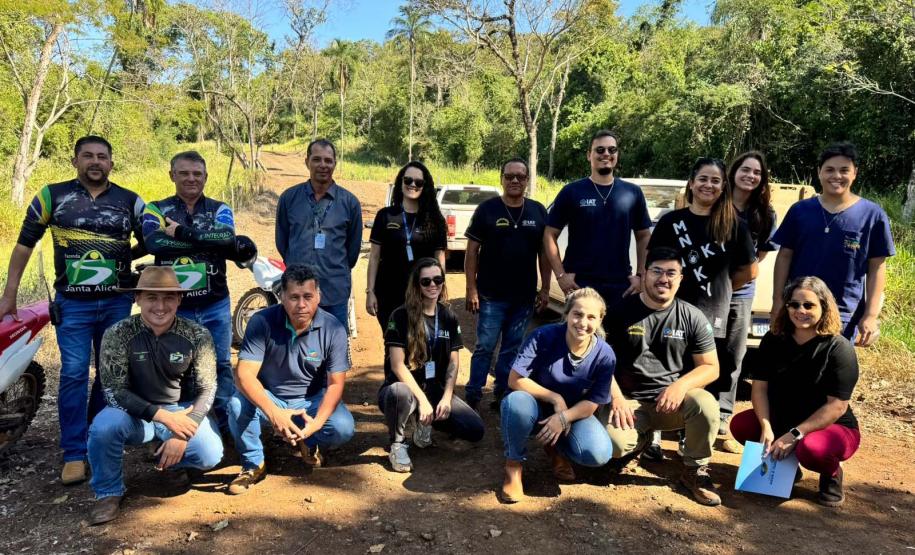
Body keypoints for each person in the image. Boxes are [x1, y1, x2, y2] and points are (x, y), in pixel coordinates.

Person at [0, 136, 145, 485]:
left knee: (109, 373)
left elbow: (155, 236)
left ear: (112, 162)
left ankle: (97, 435)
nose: (95, 162)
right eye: (88, 156)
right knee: (75, 374)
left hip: (116, 301)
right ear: (75, 160)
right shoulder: (52, 196)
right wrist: (10, 294)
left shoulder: (131, 201)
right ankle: (74, 453)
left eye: (102, 157)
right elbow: (24, 244)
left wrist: (126, 259)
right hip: (72, 304)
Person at [87, 266, 223, 525]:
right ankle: (108, 492)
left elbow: (208, 388)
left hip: (180, 410)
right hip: (132, 413)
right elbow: (114, 390)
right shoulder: (117, 334)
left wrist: (186, 428)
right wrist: (164, 419)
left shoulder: (197, 335)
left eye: (168, 297)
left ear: (179, 299)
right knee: (103, 428)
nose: (160, 306)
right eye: (151, 297)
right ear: (137, 298)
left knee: (210, 453)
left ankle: (172, 463)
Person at [647, 157, 756, 457]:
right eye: (703, 179)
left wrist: (720, 291)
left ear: (723, 188)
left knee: (701, 375)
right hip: (671, 309)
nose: (709, 185)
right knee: (664, 368)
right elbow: (652, 264)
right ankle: (655, 432)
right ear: (692, 182)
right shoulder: (671, 222)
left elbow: (750, 270)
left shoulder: (734, 224)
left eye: (716, 181)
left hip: (711, 313)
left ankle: (688, 434)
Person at [601, 247, 723, 506]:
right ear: (643, 274)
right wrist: (617, 398)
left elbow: (711, 367)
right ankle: (640, 442)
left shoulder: (692, 316)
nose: (663, 279)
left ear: (681, 278)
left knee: (706, 404)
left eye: (671, 273)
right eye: (656, 271)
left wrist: (681, 386)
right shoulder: (620, 312)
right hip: (630, 403)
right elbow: (600, 363)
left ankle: (694, 471)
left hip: (671, 404)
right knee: (611, 446)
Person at [731, 276, 860, 507]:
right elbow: (760, 388)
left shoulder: (839, 348)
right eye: (794, 304)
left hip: (831, 426)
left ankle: (831, 473)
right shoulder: (773, 339)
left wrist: (795, 434)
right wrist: (767, 427)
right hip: (784, 418)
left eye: (809, 305)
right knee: (742, 425)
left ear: (824, 306)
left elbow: (837, 406)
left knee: (813, 449)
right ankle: (788, 468)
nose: (800, 310)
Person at [227, 264, 355, 494]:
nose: (301, 305)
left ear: (319, 296)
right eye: (294, 297)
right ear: (281, 296)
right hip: (271, 397)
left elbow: (336, 384)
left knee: (343, 427)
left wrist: (315, 424)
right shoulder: (261, 322)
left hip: (311, 399)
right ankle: (253, 463)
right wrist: (274, 413)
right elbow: (244, 375)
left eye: (308, 296)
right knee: (236, 405)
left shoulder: (333, 328)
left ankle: (310, 441)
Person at [142, 150, 237, 433]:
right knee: (176, 368)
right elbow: (154, 244)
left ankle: (228, 424)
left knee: (220, 365)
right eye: (184, 173)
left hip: (214, 303)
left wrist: (183, 234)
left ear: (206, 177)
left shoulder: (220, 209)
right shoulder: (156, 209)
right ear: (172, 175)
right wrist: (207, 242)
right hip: (173, 307)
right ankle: (186, 428)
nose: (191, 179)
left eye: (197, 173)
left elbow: (228, 240)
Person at [499, 288, 615, 503]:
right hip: (534, 403)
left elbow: (593, 403)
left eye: (591, 317)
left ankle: (557, 449)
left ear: (600, 319)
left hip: (572, 414)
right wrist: (555, 398)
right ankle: (513, 466)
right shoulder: (543, 336)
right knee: (516, 403)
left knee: (598, 453)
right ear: (567, 314)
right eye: (577, 314)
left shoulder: (605, 354)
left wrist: (563, 418)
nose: (583, 323)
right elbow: (515, 380)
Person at [772, 142, 895, 345]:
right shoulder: (800, 211)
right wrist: (778, 301)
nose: (836, 176)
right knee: (792, 367)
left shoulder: (872, 215)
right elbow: (784, 256)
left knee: (834, 370)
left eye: (844, 170)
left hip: (844, 312)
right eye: (829, 170)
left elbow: (877, 268)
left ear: (855, 173)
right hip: (798, 308)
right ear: (819, 172)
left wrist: (871, 315)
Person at [379, 258, 484, 472]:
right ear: (416, 284)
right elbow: (398, 366)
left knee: (475, 430)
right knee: (400, 392)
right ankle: (397, 443)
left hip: (433, 388)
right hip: (403, 389)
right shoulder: (400, 316)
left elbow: (454, 361)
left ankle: (423, 423)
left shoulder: (448, 316)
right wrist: (422, 400)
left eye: (438, 279)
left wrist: (446, 398)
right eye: (425, 281)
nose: (432, 285)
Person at [464, 158, 550, 410]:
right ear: (501, 178)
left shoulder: (538, 211)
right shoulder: (487, 210)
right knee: (485, 347)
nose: (515, 180)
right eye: (510, 176)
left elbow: (544, 254)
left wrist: (545, 288)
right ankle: (473, 394)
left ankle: (502, 392)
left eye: (520, 177)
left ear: (527, 180)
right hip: (490, 295)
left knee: (512, 348)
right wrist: (471, 288)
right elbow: (472, 252)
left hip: (523, 298)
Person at [543, 130, 652, 313]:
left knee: (616, 340)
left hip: (620, 284)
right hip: (579, 283)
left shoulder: (632, 193)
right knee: (579, 339)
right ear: (589, 155)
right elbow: (549, 234)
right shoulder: (572, 191)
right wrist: (561, 275)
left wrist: (641, 275)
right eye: (600, 150)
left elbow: (644, 236)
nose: (606, 154)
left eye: (612, 150)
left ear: (617, 154)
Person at [717, 151, 778, 446]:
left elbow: (760, 255)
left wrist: (736, 280)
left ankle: (721, 419)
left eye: (756, 172)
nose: (750, 176)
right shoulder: (717, 203)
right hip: (708, 290)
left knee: (733, 353)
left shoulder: (765, 214)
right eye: (745, 170)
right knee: (700, 349)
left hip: (740, 291)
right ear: (734, 172)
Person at [276, 139, 362, 331]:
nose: (323, 165)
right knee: (296, 350)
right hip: (298, 295)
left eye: (328, 160)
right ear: (307, 162)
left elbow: (352, 252)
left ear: (335, 164)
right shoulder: (289, 199)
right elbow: (282, 243)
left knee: (334, 353)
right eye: (317, 160)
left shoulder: (350, 203)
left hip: (335, 291)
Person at [366, 161, 447, 330]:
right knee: (392, 345)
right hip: (388, 292)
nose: (413, 185)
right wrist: (370, 292)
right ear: (401, 182)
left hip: (422, 291)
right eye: (408, 180)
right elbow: (374, 257)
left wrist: (439, 289)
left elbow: (439, 258)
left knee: (419, 344)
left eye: (419, 182)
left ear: (425, 186)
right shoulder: (385, 216)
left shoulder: (435, 220)